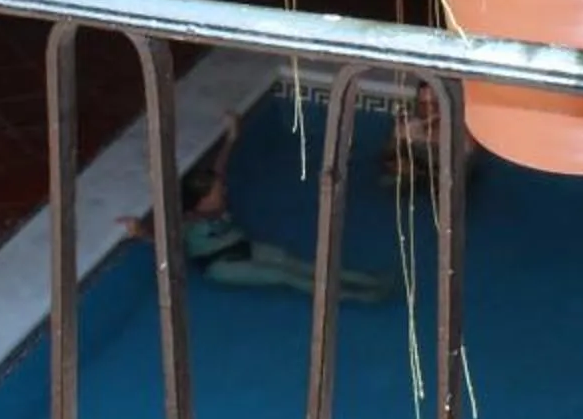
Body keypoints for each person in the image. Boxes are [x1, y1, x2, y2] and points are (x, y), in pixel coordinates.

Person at [129, 125, 398, 303]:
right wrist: (140, 231)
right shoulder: (189, 221)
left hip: (242, 245)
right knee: (285, 276)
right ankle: (362, 297)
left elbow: (220, 167)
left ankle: (370, 280)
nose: (224, 191)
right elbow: (164, 242)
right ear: (202, 200)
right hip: (220, 265)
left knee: (299, 264)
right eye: (218, 191)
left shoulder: (213, 202)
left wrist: (231, 137)